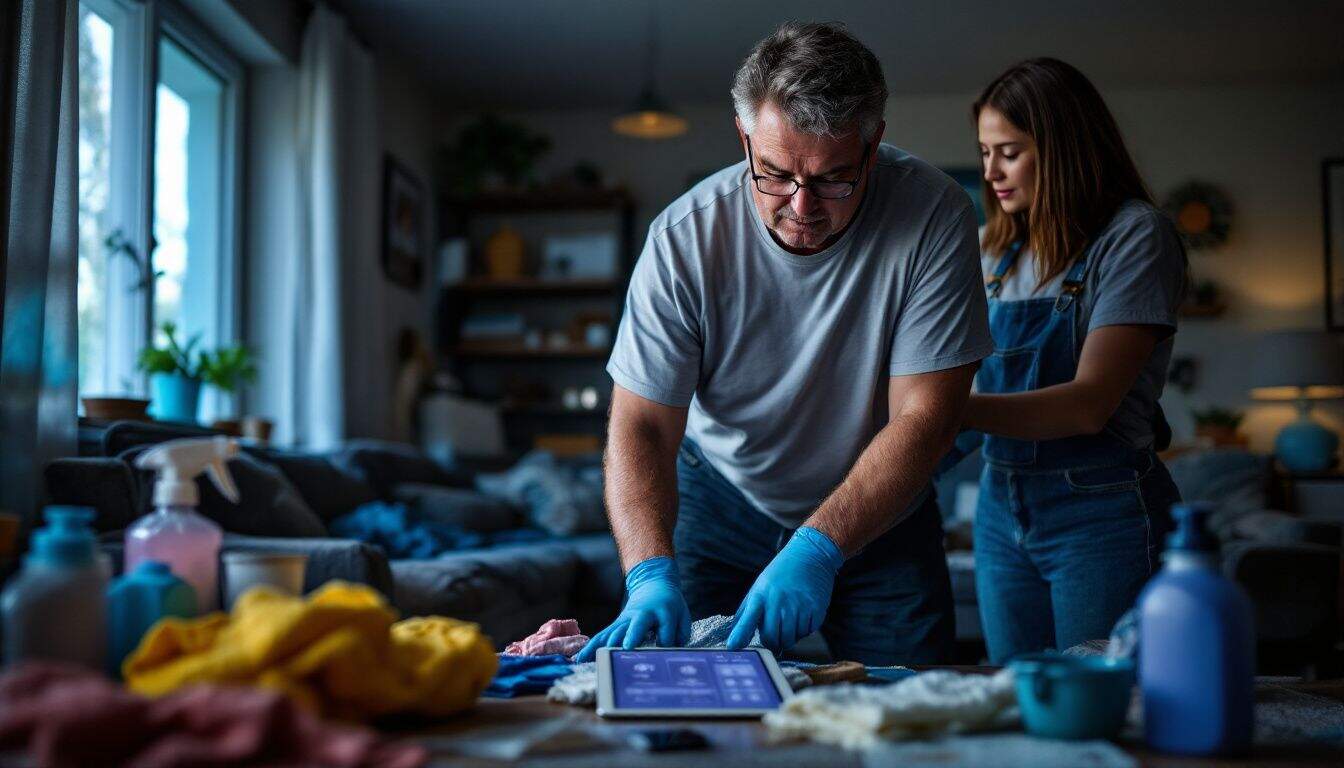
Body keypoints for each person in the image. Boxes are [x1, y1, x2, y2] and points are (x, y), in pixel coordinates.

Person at [575, 22, 993, 666]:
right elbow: (644, 424)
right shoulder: (684, 239)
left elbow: (926, 418)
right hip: (720, 501)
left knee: (909, 713)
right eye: (773, 173)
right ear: (745, 139)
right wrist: (649, 574)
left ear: (873, 144)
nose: (801, 207)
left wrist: (817, 547)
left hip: (882, 511)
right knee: (691, 713)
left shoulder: (935, 214)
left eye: (834, 180)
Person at [962, 58, 1186, 663]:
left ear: (1061, 148)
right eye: (984, 153)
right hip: (998, 505)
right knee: (1019, 702)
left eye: (1008, 151)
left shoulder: (1136, 237)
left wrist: (951, 411)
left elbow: (1089, 407)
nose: (992, 172)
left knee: (1108, 713)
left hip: (1100, 510)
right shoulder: (993, 249)